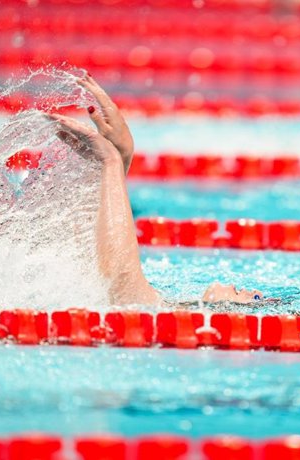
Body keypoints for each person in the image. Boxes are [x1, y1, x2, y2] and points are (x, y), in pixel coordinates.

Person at [49, 75, 264, 307]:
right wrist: (121, 157)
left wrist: (111, 162)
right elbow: (83, 257)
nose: (250, 290)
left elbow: (121, 288)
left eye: (256, 299)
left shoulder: (179, 319)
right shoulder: (169, 309)